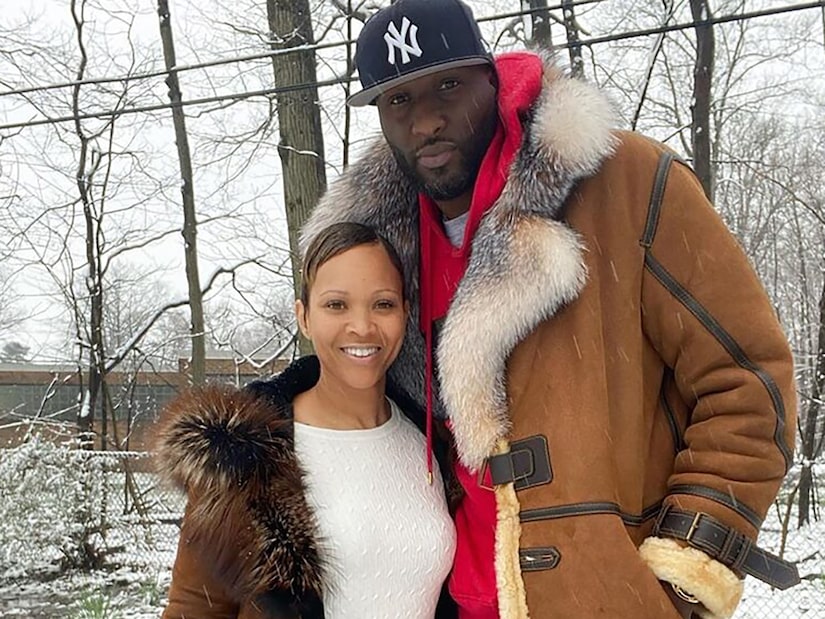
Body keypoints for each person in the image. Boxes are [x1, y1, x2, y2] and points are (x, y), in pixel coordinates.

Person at [296, 0, 801, 618]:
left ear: (491, 76)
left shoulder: (627, 182)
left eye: (448, 86)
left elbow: (748, 385)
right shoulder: (381, 246)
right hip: (446, 600)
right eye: (398, 99)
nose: (425, 120)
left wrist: (682, 574)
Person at [155, 222, 457, 619]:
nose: (362, 326)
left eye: (383, 303)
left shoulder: (433, 443)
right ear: (304, 317)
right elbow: (194, 608)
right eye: (336, 304)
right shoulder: (245, 455)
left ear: (405, 313)